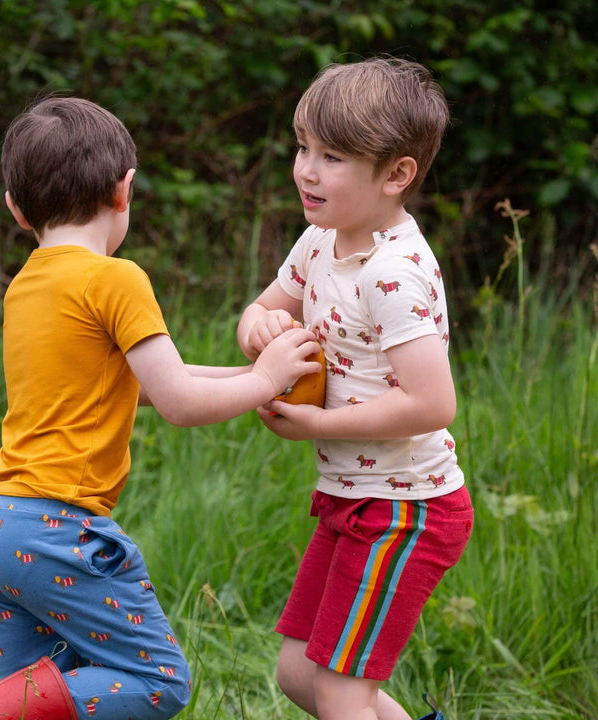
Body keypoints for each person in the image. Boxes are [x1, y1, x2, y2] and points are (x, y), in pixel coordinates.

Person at [0, 97, 320, 720]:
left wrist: (257, 378)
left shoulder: (26, 285)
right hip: (58, 531)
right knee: (156, 682)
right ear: (124, 189)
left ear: (14, 207)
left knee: (55, 696)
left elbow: (163, 374)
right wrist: (267, 376)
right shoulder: (115, 279)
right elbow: (181, 402)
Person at [237, 57, 473, 720]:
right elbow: (257, 311)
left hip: (408, 509)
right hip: (352, 498)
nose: (307, 170)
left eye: (332, 156)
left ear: (397, 174)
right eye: (303, 147)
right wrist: (261, 331)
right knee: (299, 673)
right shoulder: (320, 241)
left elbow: (433, 404)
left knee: (343, 690)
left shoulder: (392, 275)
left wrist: (315, 426)